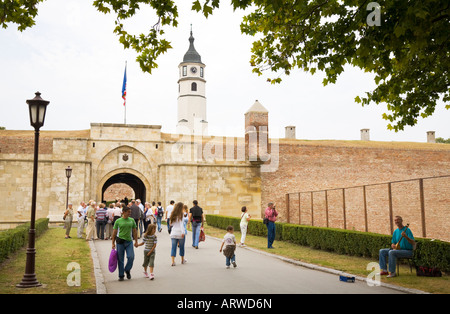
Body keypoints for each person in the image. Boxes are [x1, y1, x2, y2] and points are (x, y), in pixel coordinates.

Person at [112, 206, 139, 281]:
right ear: (123, 212)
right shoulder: (118, 221)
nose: (130, 213)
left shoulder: (132, 220)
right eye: (128, 212)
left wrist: (136, 241)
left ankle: (127, 269)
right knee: (120, 259)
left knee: (131, 257)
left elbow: (134, 231)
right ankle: (121, 275)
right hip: (120, 242)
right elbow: (114, 232)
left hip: (129, 241)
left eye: (130, 212)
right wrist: (113, 243)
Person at [170, 202, 187, 266]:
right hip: (180, 232)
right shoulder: (181, 214)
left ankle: (173, 261)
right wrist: (183, 232)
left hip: (174, 232)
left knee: (173, 247)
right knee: (182, 247)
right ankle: (182, 260)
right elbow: (181, 224)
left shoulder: (173, 214)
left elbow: (171, 224)